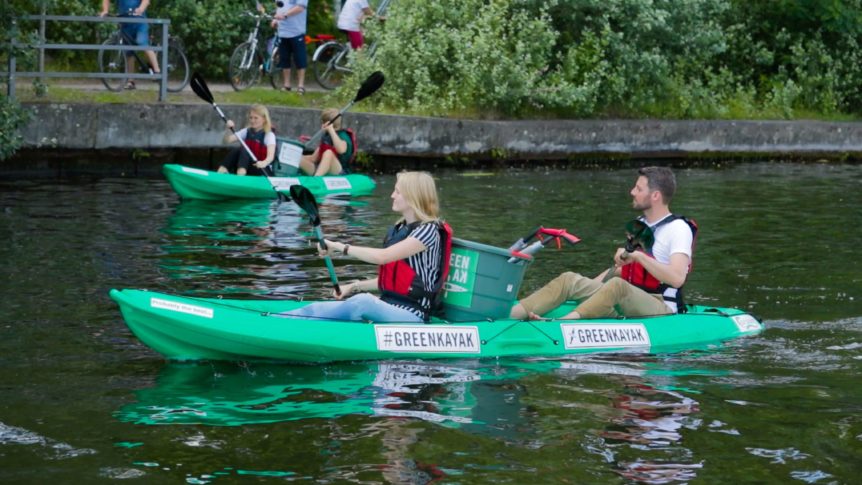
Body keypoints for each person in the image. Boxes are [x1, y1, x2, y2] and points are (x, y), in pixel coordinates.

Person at [510, 166, 696, 320]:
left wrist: (638, 257)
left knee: (617, 286)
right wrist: (588, 288)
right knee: (569, 280)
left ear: (655, 196)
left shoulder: (678, 229)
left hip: (661, 306)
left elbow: (677, 278)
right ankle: (509, 315)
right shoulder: (640, 224)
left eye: (639, 189)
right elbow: (621, 271)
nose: (632, 192)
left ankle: (561, 324)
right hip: (628, 296)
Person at [282, 171, 453, 323]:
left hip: (412, 314)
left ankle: (299, 325)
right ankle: (280, 321)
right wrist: (352, 286)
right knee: (316, 308)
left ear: (413, 196)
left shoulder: (429, 231)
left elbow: (382, 257)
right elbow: (390, 281)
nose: (392, 195)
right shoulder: (400, 228)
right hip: (389, 305)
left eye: (398, 191)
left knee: (363, 302)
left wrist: (340, 247)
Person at [99, 0, 161, 90]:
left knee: (142, 43)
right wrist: (105, 10)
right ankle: (131, 81)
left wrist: (141, 9)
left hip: (139, 21)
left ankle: (157, 71)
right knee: (128, 52)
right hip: (125, 22)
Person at [216, 104, 277, 176]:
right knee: (237, 150)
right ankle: (221, 172)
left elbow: (270, 156)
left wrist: (264, 162)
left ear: (264, 119)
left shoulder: (269, 135)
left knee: (245, 149)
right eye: (251, 118)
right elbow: (226, 141)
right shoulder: (246, 131)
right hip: (249, 168)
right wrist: (228, 129)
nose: (252, 120)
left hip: (262, 170)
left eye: (256, 118)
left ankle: (240, 177)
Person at [299, 108, 355, 176]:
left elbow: (341, 150)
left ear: (325, 123)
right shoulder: (326, 136)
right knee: (298, 159)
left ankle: (316, 178)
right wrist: (297, 156)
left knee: (329, 152)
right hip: (321, 169)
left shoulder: (343, 135)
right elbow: (313, 158)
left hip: (340, 172)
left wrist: (331, 130)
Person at [272, 0, 308, 94]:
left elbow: (300, 8)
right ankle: (286, 85)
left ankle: (300, 86)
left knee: (300, 59)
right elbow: (279, 8)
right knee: (284, 59)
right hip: (282, 32)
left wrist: (285, 15)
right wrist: (275, 20)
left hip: (297, 31)